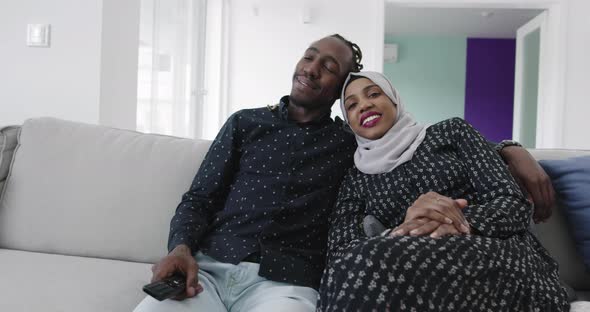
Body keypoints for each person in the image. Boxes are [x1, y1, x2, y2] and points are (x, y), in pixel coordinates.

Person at [134, 34, 556, 312]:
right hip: (209, 267)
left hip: (284, 283)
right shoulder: (249, 124)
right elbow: (200, 197)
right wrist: (181, 246)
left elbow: (429, 151)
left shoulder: (351, 145)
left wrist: (508, 149)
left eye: (329, 68)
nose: (312, 68)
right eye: (309, 56)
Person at [317, 71, 569, 311]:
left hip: (493, 253)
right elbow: (341, 248)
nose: (363, 105)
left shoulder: (451, 132)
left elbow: (513, 203)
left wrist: (455, 219)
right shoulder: (356, 178)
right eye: (351, 105)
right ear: (349, 122)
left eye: (373, 94)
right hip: (405, 265)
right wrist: (410, 228)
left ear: (394, 100)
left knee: (374, 263)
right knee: (346, 267)